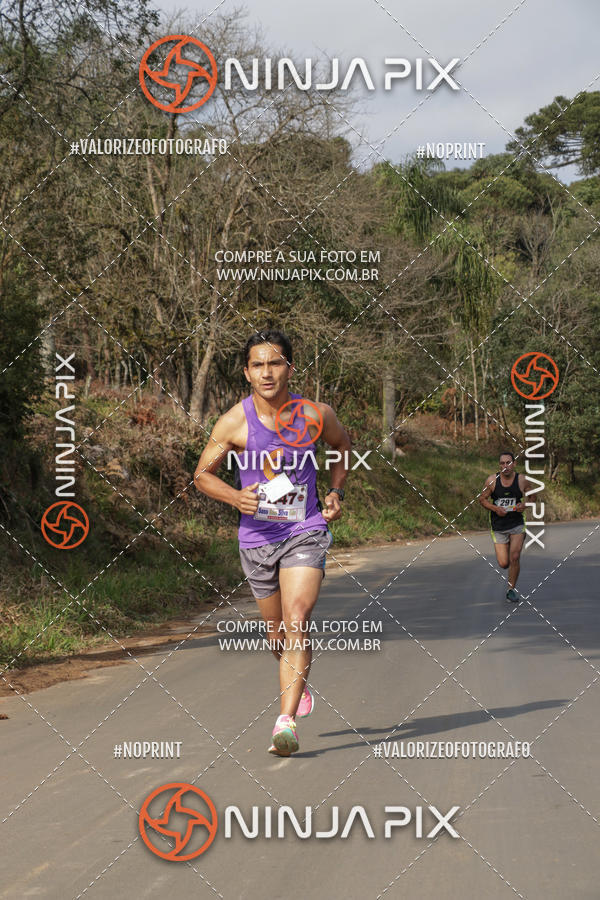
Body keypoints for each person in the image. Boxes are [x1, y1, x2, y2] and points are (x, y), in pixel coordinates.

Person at [194, 329, 351, 755]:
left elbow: (341, 445)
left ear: (290, 368)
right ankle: (297, 683)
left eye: (275, 363)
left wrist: (335, 492)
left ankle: (285, 723)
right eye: (258, 365)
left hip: (305, 529)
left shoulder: (315, 414)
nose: (267, 372)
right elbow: (202, 474)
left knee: (297, 618)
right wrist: (235, 497)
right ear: (247, 373)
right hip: (257, 538)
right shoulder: (234, 422)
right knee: (276, 634)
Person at [479, 451, 529, 602]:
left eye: (508, 462)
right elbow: (482, 499)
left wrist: (524, 505)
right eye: (502, 463)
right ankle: (508, 550)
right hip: (498, 525)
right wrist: (495, 509)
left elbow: (532, 496)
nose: (505, 466)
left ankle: (511, 590)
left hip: (517, 523)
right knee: (503, 563)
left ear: (514, 464)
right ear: (499, 465)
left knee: (515, 557)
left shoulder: (522, 480)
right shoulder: (492, 481)